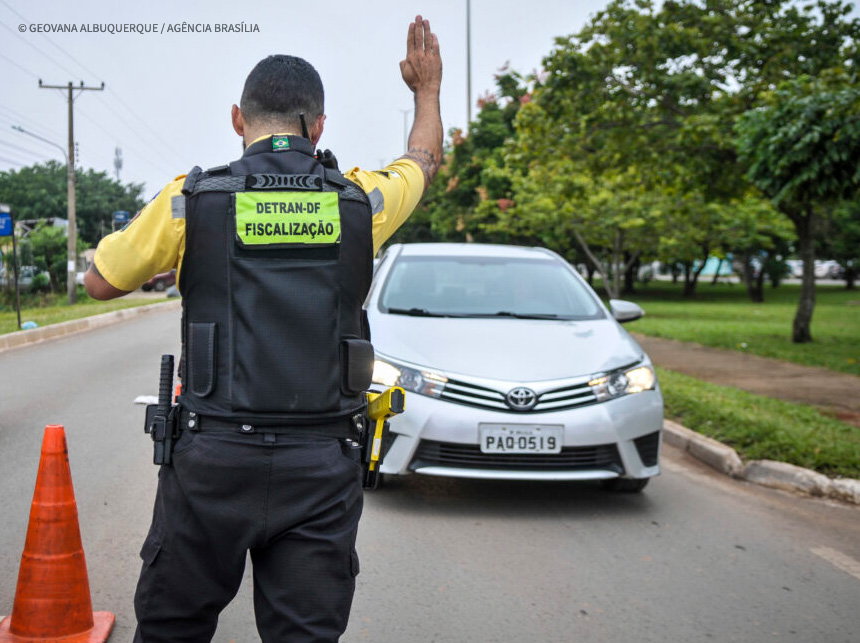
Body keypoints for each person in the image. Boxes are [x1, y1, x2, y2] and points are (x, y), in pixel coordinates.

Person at [85, 16, 442, 642]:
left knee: (172, 629)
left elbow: (99, 282)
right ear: (319, 125)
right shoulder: (363, 201)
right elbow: (422, 161)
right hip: (322, 463)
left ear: (237, 119)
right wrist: (427, 93)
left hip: (211, 461)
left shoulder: (188, 202)